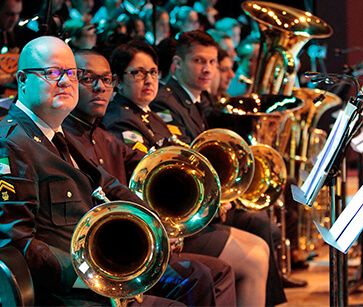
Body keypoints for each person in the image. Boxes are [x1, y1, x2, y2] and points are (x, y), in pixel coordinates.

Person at [0, 36, 222, 306]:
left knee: (195, 278)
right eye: (51, 72)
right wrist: (97, 278)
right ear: (22, 80)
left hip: (100, 269)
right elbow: (16, 243)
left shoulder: (58, 133)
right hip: (65, 290)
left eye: (71, 73)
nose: (65, 81)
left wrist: (159, 227)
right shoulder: (11, 143)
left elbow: (110, 185)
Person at [102, 39, 270, 307]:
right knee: (254, 257)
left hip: (180, 220)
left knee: (259, 249)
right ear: (119, 81)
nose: (148, 80)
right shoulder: (120, 118)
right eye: (137, 72)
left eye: (153, 72)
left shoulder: (147, 115)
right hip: (164, 226)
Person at [63, 48, 237, 306]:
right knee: (198, 275)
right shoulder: (75, 136)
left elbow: (144, 167)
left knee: (217, 271)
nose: (100, 87)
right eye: (87, 78)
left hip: (133, 242)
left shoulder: (104, 136)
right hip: (109, 255)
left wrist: (170, 217)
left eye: (105, 79)